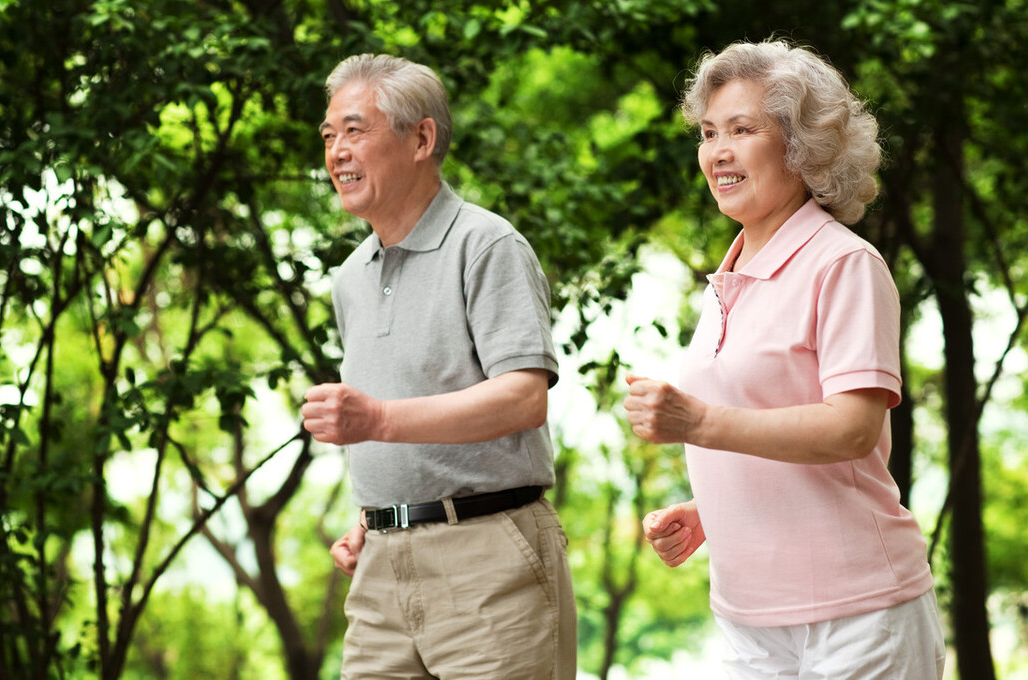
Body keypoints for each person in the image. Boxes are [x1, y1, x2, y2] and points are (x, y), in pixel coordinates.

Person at [624, 39, 945, 679]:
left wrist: (696, 422)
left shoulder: (844, 264)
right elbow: (769, 419)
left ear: (802, 148)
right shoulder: (727, 277)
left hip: (860, 618)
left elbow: (850, 428)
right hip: (748, 618)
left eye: (743, 129)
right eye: (710, 132)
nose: (718, 151)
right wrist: (712, 509)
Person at [300, 53, 577, 679]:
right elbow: (407, 407)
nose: (336, 151)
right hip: (378, 567)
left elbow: (523, 399)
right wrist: (382, 507)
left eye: (354, 129)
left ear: (422, 138)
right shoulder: (349, 278)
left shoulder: (488, 246)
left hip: (489, 558)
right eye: (328, 136)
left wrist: (375, 419)